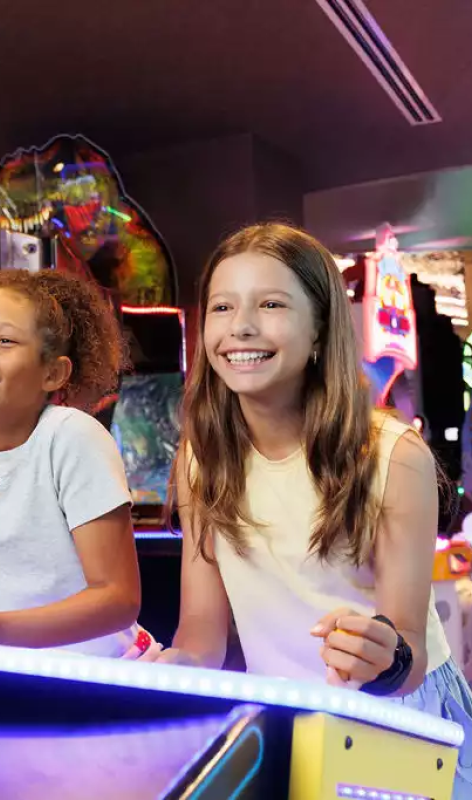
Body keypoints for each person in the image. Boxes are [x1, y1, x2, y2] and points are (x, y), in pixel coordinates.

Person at [158, 222, 472, 796]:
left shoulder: (393, 455)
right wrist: (168, 673)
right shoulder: (200, 457)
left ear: (321, 330)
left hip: (401, 721)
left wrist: (382, 656)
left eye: (271, 303)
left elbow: (411, 654)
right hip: (281, 715)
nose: (241, 327)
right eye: (222, 307)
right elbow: (201, 633)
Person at [0, 269, 158, 660]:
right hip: (4, 676)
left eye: (5, 341)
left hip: (108, 674)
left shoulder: (72, 436)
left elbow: (118, 599)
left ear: (53, 373)